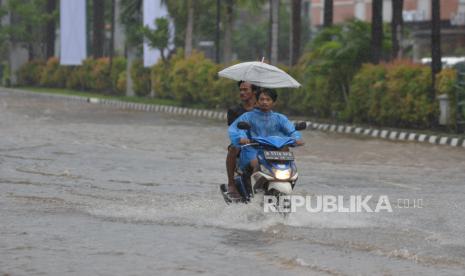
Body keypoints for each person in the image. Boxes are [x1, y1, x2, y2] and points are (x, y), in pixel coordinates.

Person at [228, 88, 304, 173]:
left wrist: (297, 138)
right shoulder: (247, 116)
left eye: (268, 99)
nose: (264, 102)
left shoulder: (280, 118)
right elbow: (239, 129)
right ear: (257, 101)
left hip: (275, 151)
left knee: (290, 167)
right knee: (256, 164)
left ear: (274, 102)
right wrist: (243, 138)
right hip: (253, 150)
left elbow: (291, 130)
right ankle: (251, 184)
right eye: (262, 99)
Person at [226, 81, 257, 197]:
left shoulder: (262, 109)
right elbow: (235, 130)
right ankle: (231, 184)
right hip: (243, 143)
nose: (242, 92)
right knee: (234, 148)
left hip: (261, 143)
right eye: (241, 90)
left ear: (254, 91)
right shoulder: (234, 110)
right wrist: (243, 138)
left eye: (245, 90)